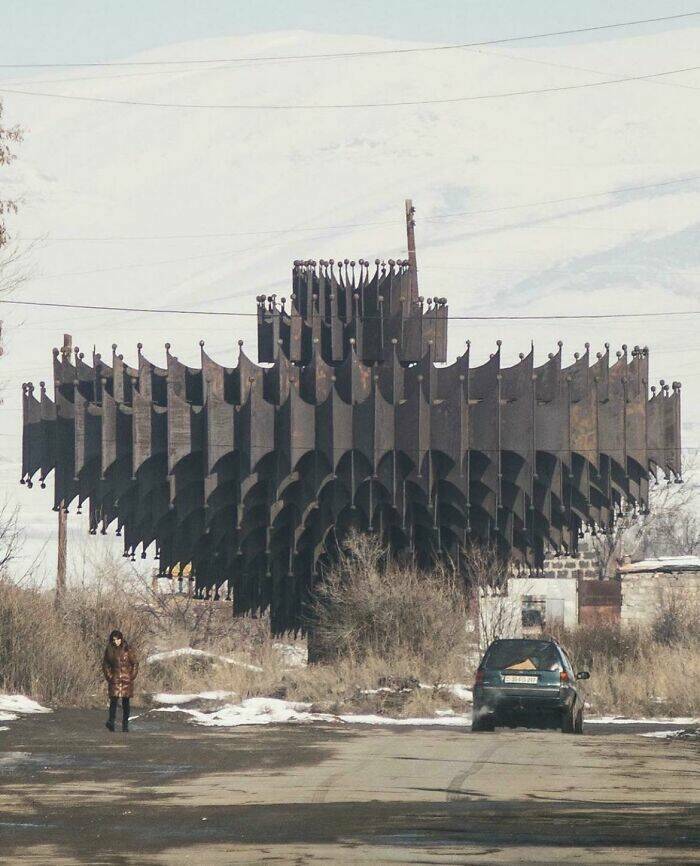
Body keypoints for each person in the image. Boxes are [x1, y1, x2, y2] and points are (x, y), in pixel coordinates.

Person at [102, 629, 139, 732]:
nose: (116, 642)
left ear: (121, 639)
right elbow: (105, 664)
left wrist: (131, 676)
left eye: (117, 639)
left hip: (126, 680)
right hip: (115, 679)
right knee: (113, 701)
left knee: (125, 703)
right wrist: (109, 676)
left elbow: (135, 663)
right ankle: (111, 722)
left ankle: (125, 724)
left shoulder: (128, 649)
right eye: (114, 640)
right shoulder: (109, 650)